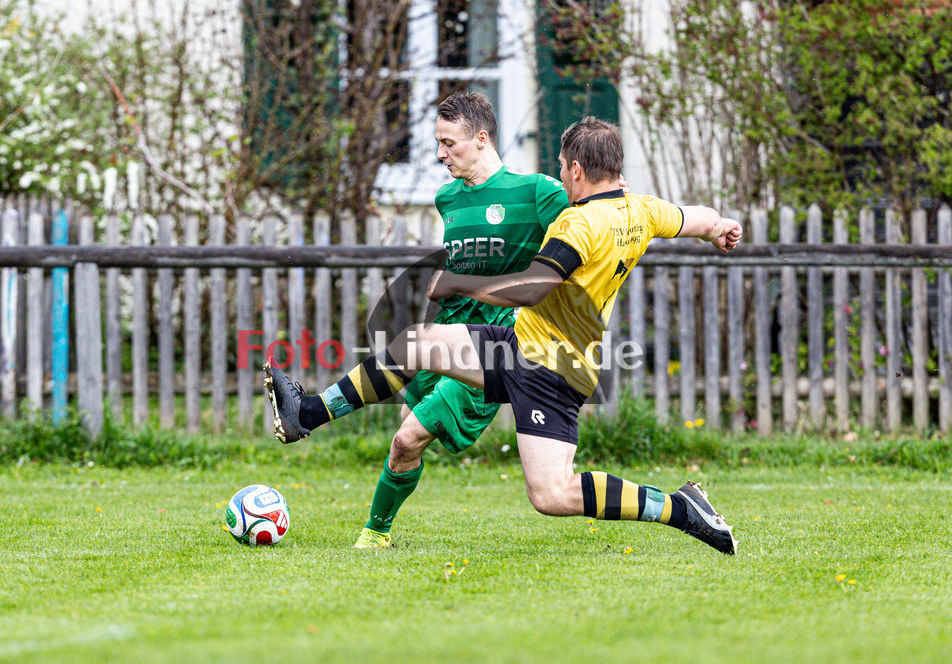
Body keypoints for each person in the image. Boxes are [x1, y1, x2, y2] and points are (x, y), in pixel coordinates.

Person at [267, 116, 742, 554]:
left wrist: (459, 283)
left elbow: (534, 286)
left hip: (552, 370)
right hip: (519, 347)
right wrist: (718, 227)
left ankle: (681, 509)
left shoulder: (580, 224)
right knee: (414, 344)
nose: (560, 177)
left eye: (562, 168)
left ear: (576, 170)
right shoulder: (642, 211)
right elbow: (692, 216)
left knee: (552, 494)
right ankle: (307, 412)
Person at [266, 91, 574, 549]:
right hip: (448, 330)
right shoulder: (447, 198)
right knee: (403, 443)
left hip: (495, 347)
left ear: (481, 139)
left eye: (448, 143)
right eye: (437, 142)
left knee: (410, 433)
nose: (439, 154)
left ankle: (311, 417)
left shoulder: (537, 192)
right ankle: (377, 534)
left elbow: (583, 230)